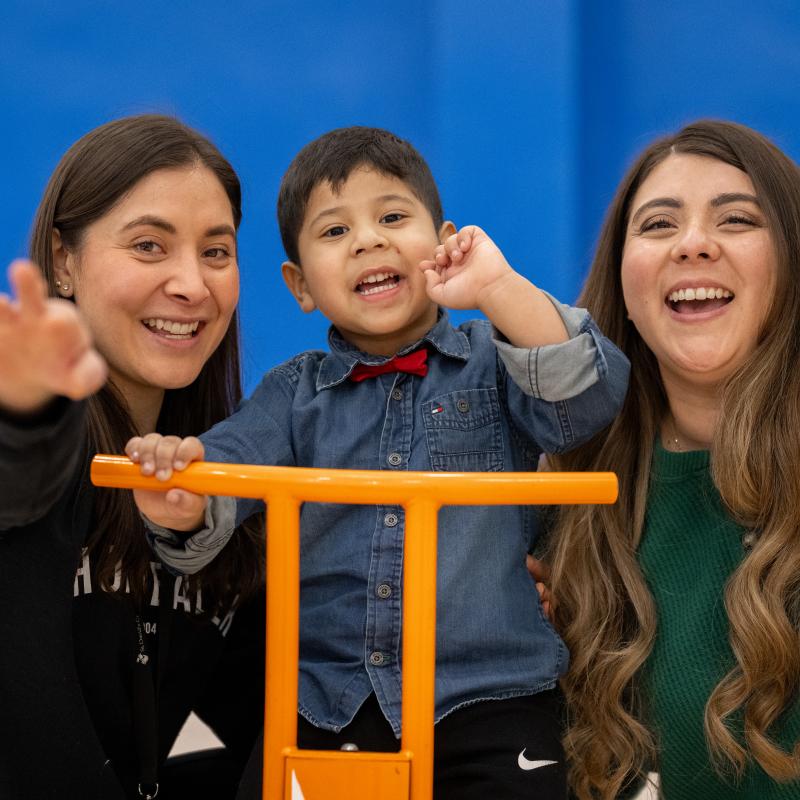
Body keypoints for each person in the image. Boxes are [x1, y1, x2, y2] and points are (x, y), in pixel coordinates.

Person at [128, 125, 630, 799]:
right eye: (335, 232)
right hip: (327, 701)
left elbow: (585, 397)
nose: (368, 239)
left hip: (491, 697)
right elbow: (226, 462)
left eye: (393, 217)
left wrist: (496, 286)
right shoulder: (292, 394)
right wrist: (185, 494)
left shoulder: (495, 357)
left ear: (444, 241)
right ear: (301, 286)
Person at [0, 114, 264, 800]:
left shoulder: (231, 493)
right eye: (149, 245)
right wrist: (28, 409)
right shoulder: (30, 445)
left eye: (217, 252)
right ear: (64, 260)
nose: (191, 285)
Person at [537, 119, 800, 799]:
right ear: (623, 277)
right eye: (657, 225)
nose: (693, 245)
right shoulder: (562, 491)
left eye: (737, 219)